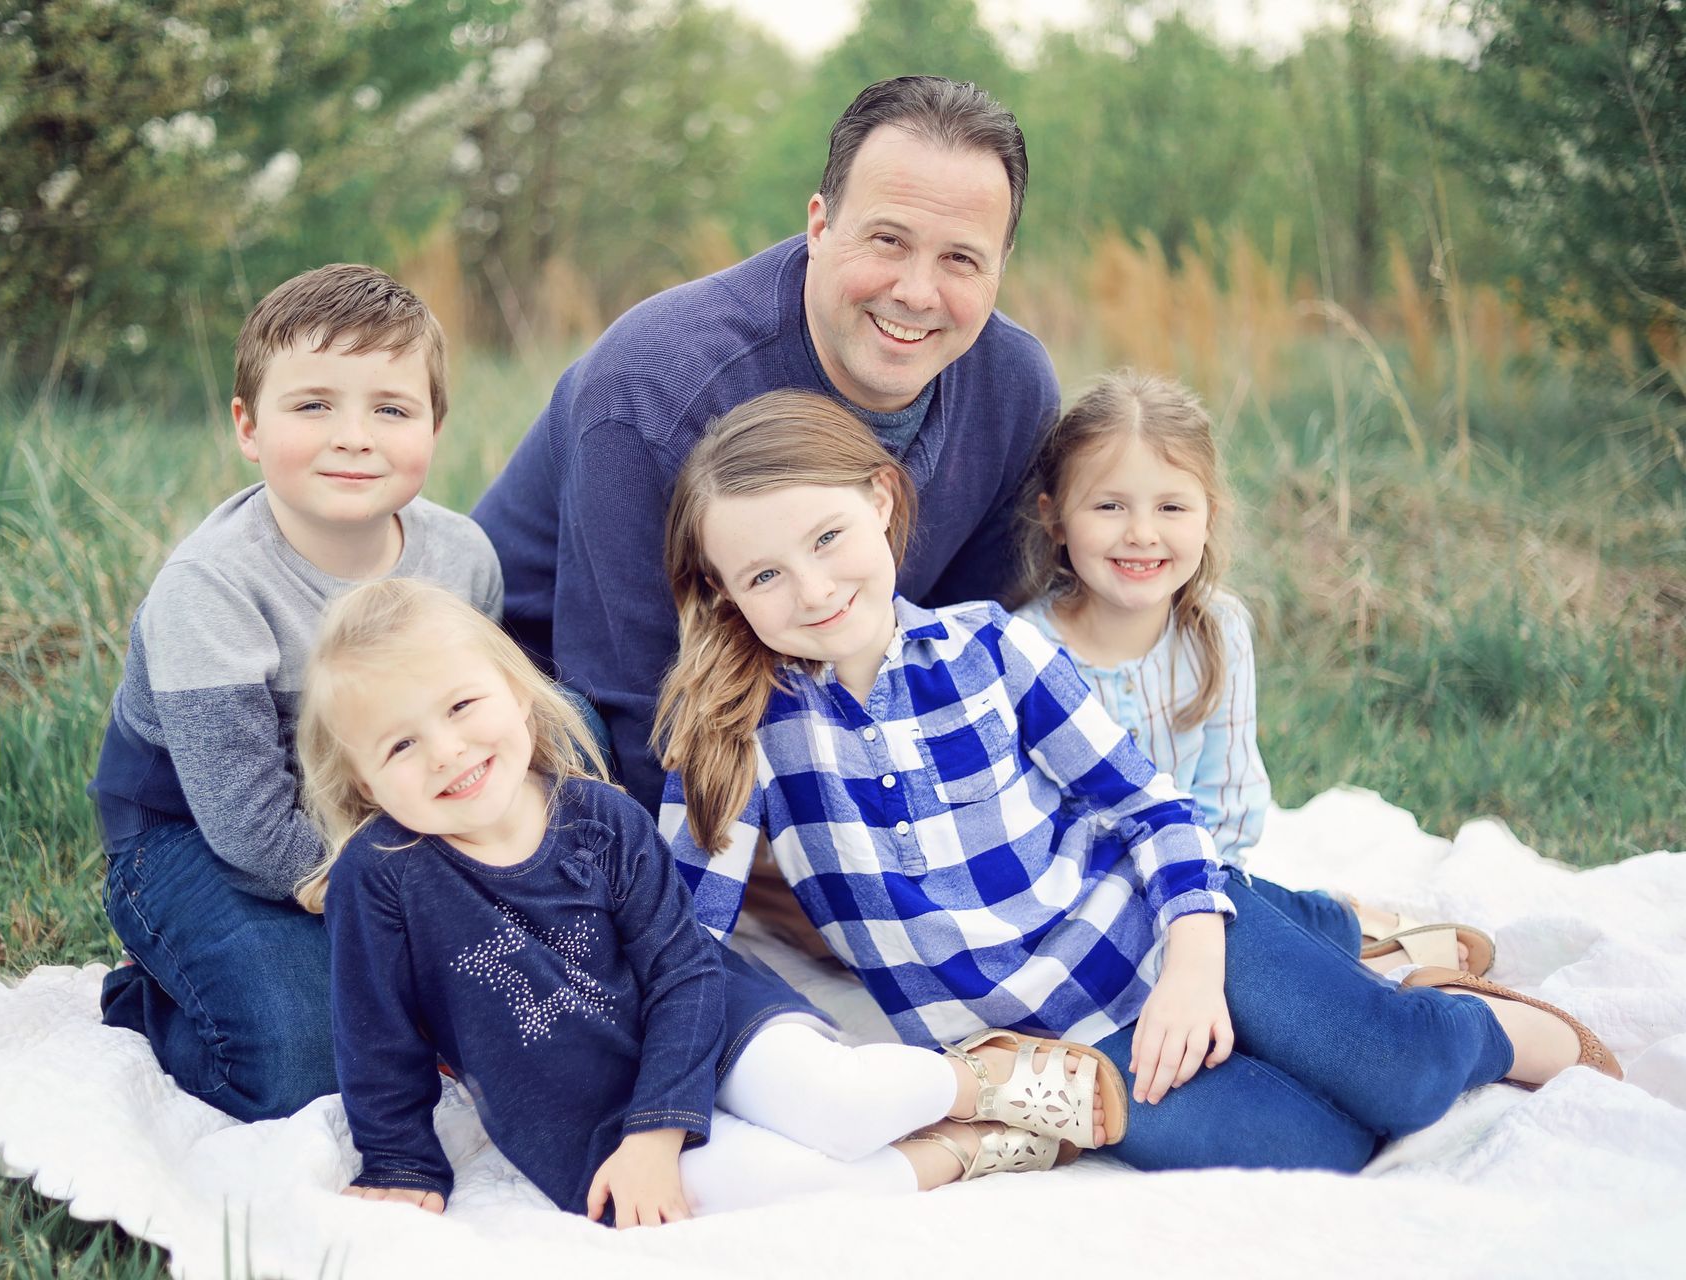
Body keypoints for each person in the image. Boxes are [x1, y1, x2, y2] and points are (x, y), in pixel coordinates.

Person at [655, 390, 1622, 1173]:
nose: (815, 589)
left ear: (879, 500)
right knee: (1320, 1149)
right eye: (765, 576)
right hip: (1065, 1054)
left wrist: (1193, 971)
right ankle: (1331, 963)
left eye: (827, 538)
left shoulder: (993, 648)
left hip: (1159, 928)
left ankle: (1474, 1024)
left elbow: (1151, 807)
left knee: (1401, 1077)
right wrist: (657, 1126)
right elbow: (684, 942)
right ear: (723, 593)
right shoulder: (735, 734)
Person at [297, 579, 1132, 1224]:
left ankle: (979, 1078)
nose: (447, 752)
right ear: (364, 782)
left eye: (460, 706)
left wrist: (660, 1129)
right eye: (401, 745)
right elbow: (375, 1034)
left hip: (711, 1020)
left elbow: (683, 971)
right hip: (588, 1114)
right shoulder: (384, 875)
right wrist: (399, 1162)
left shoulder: (600, 820)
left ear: (516, 692)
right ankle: (962, 1150)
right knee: (778, 1191)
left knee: (838, 1107)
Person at [473, 75, 1059, 813]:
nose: (916, 292)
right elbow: (634, 717)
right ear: (819, 226)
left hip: (802, 712)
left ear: (1001, 265)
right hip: (546, 717)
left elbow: (961, 651)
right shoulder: (655, 386)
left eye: (961, 259)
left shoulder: (1014, 390)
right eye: (888, 240)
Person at [90, 264, 502, 1122]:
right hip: (199, 833)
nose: (354, 438)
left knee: (568, 731)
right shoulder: (212, 589)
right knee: (300, 1050)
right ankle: (153, 992)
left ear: (435, 425)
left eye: (391, 410)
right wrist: (413, 907)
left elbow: (483, 723)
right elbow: (248, 828)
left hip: (382, 799)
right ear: (248, 426)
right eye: (313, 405)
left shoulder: (462, 558)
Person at [1008, 371, 1495, 976]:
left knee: (1250, 957)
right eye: (1109, 506)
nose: (1141, 533)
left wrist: (1192, 909)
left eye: (1171, 507)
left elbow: (1228, 799)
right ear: (1055, 518)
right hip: (1083, 909)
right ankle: (1344, 924)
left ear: (1208, 516)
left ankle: (1347, 931)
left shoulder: (1218, 629)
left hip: (1201, 884)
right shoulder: (1023, 651)